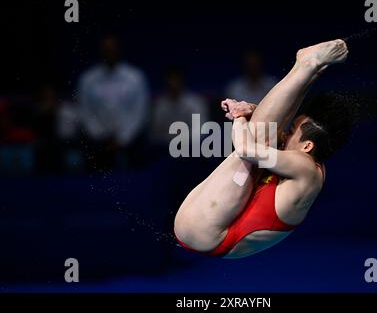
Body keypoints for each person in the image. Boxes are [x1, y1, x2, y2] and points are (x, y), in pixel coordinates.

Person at [174, 39, 358, 259]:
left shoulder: (305, 167)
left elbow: (245, 148)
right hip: (209, 228)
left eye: (292, 133)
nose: (285, 134)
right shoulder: (301, 155)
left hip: (208, 234)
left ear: (307, 146)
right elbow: (272, 123)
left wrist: (238, 115)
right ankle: (311, 71)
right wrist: (250, 108)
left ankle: (307, 66)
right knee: (266, 133)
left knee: (260, 138)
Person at [77, 35, 149, 171]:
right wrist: (100, 136)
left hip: (130, 141)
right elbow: (85, 112)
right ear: (101, 51)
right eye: (106, 49)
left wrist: (123, 138)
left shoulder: (134, 77)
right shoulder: (88, 79)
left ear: (119, 50)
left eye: (112, 49)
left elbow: (139, 112)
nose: (109, 52)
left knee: (132, 179)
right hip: (98, 142)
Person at [151, 67, 209, 145]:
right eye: (170, 80)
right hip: (165, 148)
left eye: (176, 80)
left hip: (192, 147)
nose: (173, 83)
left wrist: (181, 138)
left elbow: (201, 130)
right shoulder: (160, 105)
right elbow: (155, 133)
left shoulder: (195, 102)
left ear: (182, 81)